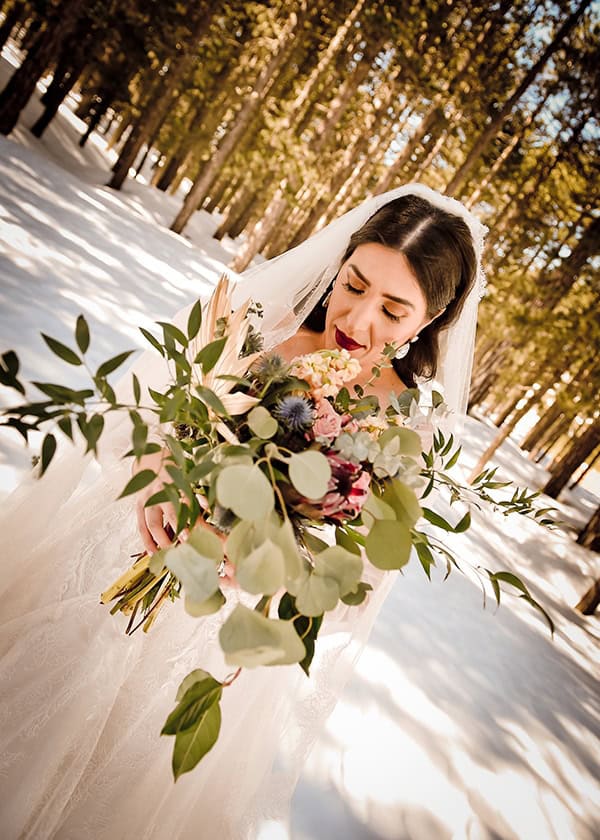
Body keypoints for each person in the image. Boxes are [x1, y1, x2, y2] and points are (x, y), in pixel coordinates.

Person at [0, 184, 485, 839]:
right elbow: (130, 415)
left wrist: (270, 570)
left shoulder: (404, 433)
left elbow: (354, 590)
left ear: (430, 322)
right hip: (112, 566)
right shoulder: (251, 325)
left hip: (205, 645)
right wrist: (156, 471)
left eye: (394, 309)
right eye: (354, 284)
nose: (360, 319)